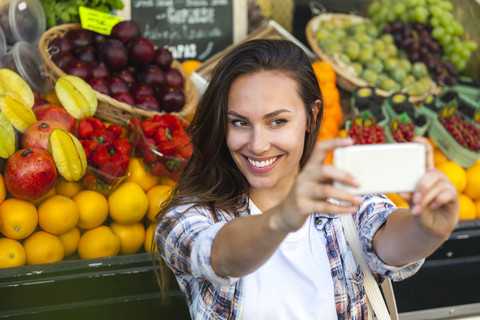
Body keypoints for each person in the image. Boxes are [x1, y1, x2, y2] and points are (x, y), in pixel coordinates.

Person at [153, 39, 459, 319]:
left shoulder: (346, 203)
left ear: (312, 117)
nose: (258, 144)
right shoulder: (188, 217)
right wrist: (282, 219)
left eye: (277, 121)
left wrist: (427, 228)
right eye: (240, 122)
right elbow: (220, 256)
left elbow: (389, 239)